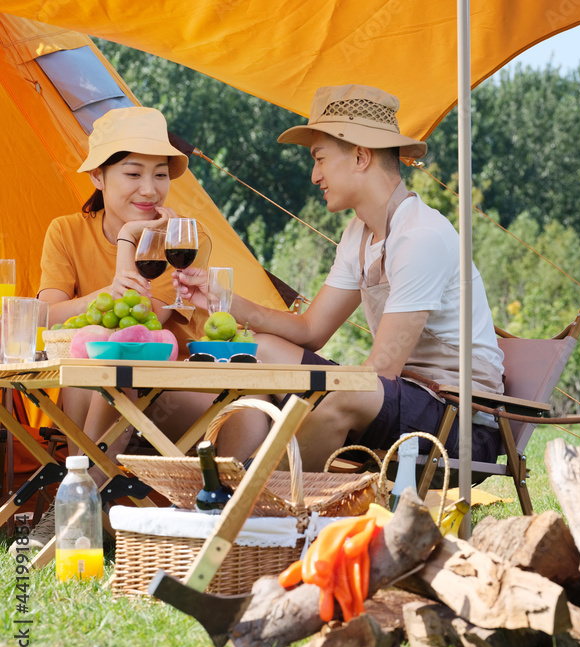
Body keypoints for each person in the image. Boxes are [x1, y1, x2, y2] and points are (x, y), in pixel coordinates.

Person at [174, 84, 504, 471]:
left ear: (361, 157)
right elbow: (311, 330)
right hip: (398, 396)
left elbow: (380, 372)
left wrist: (314, 392)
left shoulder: (421, 236)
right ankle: (228, 490)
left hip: (456, 418)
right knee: (258, 350)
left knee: (341, 395)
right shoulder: (359, 234)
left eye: (320, 158)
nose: (315, 175)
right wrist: (221, 299)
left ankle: (265, 506)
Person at [28, 107, 213, 549]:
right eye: (133, 174)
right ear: (98, 177)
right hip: (98, 389)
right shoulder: (66, 231)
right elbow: (47, 314)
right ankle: (83, 510)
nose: (150, 189)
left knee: (120, 360)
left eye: (161, 175)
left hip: (169, 392)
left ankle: (72, 513)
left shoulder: (183, 239)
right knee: (95, 361)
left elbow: (146, 324)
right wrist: (107, 289)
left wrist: (131, 238)